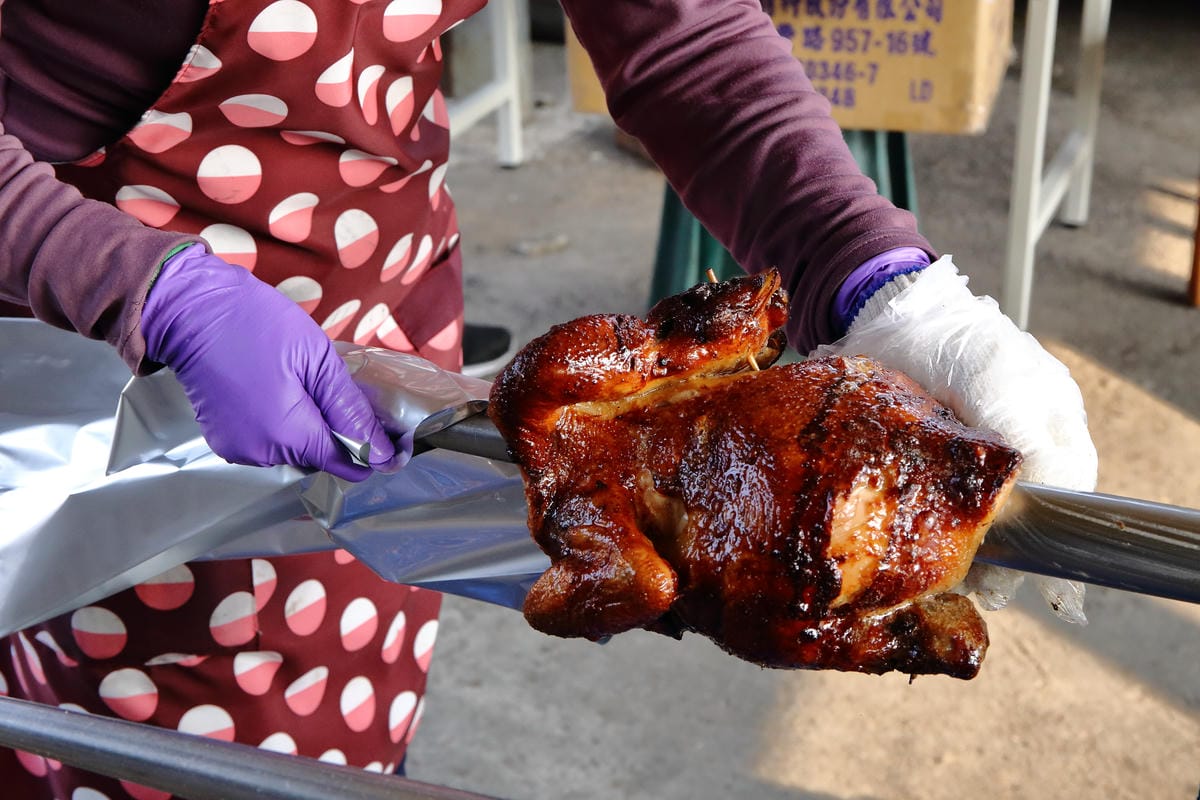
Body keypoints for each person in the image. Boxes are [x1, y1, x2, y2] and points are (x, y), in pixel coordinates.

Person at [0, 0, 1097, 797]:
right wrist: (144, 287)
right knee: (122, 739)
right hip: (75, 354)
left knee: (333, 722)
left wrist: (876, 276)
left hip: (382, 321)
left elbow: (681, 34)